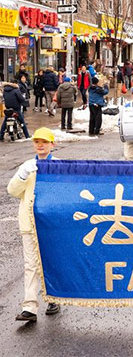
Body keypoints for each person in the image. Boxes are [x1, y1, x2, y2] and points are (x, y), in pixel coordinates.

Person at [7, 127, 60, 322]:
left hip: (52, 226)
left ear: (52, 144)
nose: (40, 145)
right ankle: (30, 306)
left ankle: (53, 298)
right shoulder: (27, 166)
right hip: (30, 224)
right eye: (37, 141)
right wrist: (22, 176)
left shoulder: (59, 167)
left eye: (44, 142)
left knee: (51, 262)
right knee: (31, 265)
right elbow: (12, 191)